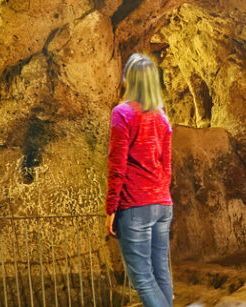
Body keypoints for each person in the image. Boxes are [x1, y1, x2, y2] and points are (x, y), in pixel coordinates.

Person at [106, 53, 174, 307]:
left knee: (143, 279)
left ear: (130, 80)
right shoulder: (162, 117)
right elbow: (166, 166)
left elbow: (117, 164)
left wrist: (111, 207)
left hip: (135, 204)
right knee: (161, 272)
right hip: (163, 204)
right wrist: (160, 195)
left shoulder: (122, 113)